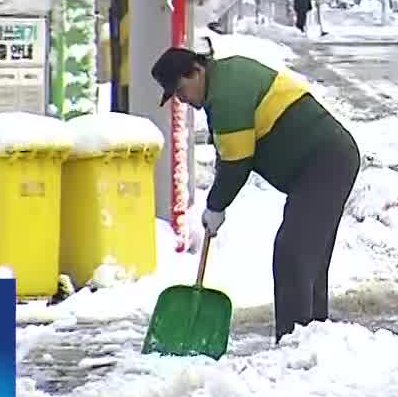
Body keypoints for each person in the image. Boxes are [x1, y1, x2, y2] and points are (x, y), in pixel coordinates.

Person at [151, 45, 360, 343]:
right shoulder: (221, 82)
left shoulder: (226, 95)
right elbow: (229, 151)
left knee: (293, 254)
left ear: (196, 72)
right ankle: (312, 337)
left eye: (181, 90)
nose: (182, 100)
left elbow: (237, 163)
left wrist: (216, 206)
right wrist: (216, 205)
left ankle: (294, 342)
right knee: (307, 257)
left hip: (324, 163)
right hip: (321, 165)